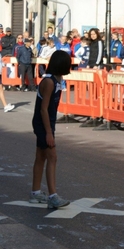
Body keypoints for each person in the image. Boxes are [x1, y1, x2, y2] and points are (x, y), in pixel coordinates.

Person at [30, 50, 72, 209]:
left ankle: (35, 192)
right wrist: (48, 132)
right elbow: (43, 109)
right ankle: (53, 196)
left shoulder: (57, 80)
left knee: (41, 156)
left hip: (47, 121)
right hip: (43, 122)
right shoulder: (49, 82)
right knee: (52, 156)